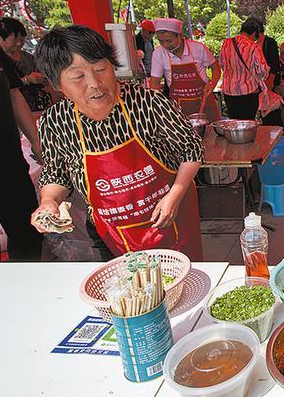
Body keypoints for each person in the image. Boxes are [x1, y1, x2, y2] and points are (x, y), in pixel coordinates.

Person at [33, 25, 205, 261]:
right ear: (57, 84)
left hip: (170, 215)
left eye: (101, 69)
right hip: (111, 230)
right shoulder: (55, 121)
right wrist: (49, 202)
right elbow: (57, 175)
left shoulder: (148, 103)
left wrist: (174, 195)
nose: (95, 83)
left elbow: (191, 150)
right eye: (78, 77)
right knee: (128, 291)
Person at [0, 36, 42, 261]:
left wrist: (36, 141)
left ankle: (30, 289)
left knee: (28, 235)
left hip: (8, 161)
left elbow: (14, 94)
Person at [149, 17, 222, 121]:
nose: (165, 45)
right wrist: (159, 106)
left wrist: (212, 84)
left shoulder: (198, 48)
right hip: (178, 108)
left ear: (180, 36)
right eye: (161, 41)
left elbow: (215, 67)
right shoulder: (158, 53)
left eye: (169, 41)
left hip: (204, 102)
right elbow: (154, 83)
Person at [218, 17, 282, 125]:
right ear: (253, 33)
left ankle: (235, 141)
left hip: (229, 93)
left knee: (235, 123)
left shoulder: (227, 43)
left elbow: (222, 64)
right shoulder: (253, 46)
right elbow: (262, 71)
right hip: (248, 93)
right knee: (248, 125)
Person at [0, 17, 57, 112]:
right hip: (17, 110)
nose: (19, 43)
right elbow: (0, 89)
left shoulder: (27, 57)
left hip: (39, 105)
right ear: (0, 38)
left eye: (22, 39)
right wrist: (27, 79)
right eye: (15, 40)